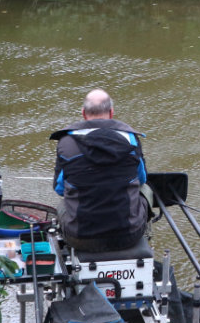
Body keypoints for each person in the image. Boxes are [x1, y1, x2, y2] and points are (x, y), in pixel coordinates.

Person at [50, 89, 148, 252]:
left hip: (80, 238)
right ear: (111, 113)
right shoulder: (132, 140)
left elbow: (59, 189)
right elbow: (142, 180)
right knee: (145, 194)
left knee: (62, 205)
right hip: (129, 235)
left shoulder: (66, 143)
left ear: (83, 113)